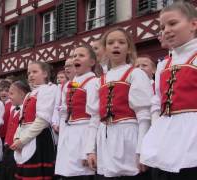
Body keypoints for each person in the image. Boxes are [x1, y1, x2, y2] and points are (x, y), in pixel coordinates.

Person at [86, 27, 153, 180]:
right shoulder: (99, 81)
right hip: (105, 138)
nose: (116, 45)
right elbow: (94, 119)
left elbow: (143, 115)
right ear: (105, 49)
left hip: (129, 136)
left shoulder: (135, 74)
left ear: (128, 49)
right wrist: (90, 149)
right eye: (111, 43)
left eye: (121, 42)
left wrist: (141, 148)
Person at [140, 2, 197, 180]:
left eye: (173, 23)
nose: (166, 30)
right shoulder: (164, 64)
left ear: (194, 24)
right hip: (168, 133)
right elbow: (157, 101)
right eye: (163, 27)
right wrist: (157, 131)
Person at [55, 44, 101, 179]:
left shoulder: (94, 82)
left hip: (84, 132)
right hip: (69, 133)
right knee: (67, 173)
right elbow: (64, 111)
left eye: (81, 55)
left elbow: (95, 116)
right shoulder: (71, 84)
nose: (76, 58)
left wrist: (89, 150)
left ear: (92, 62)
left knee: (81, 173)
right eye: (74, 55)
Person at [11, 61, 57, 179]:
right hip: (26, 139)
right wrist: (17, 138)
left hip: (40, 138)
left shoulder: (48, 89)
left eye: (35, 72)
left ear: (45, 74)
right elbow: (21, 121)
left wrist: (22, 140)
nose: (31, 75)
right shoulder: (29, 95)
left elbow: (42, 120)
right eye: (29, 73)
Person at [0, 80, 30, 180]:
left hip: (17, 148)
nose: (9, 95)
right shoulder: (13, 109)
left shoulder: (26, 109)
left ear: (21, 95)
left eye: (11, 93)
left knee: (13, 174)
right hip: (8, 147)